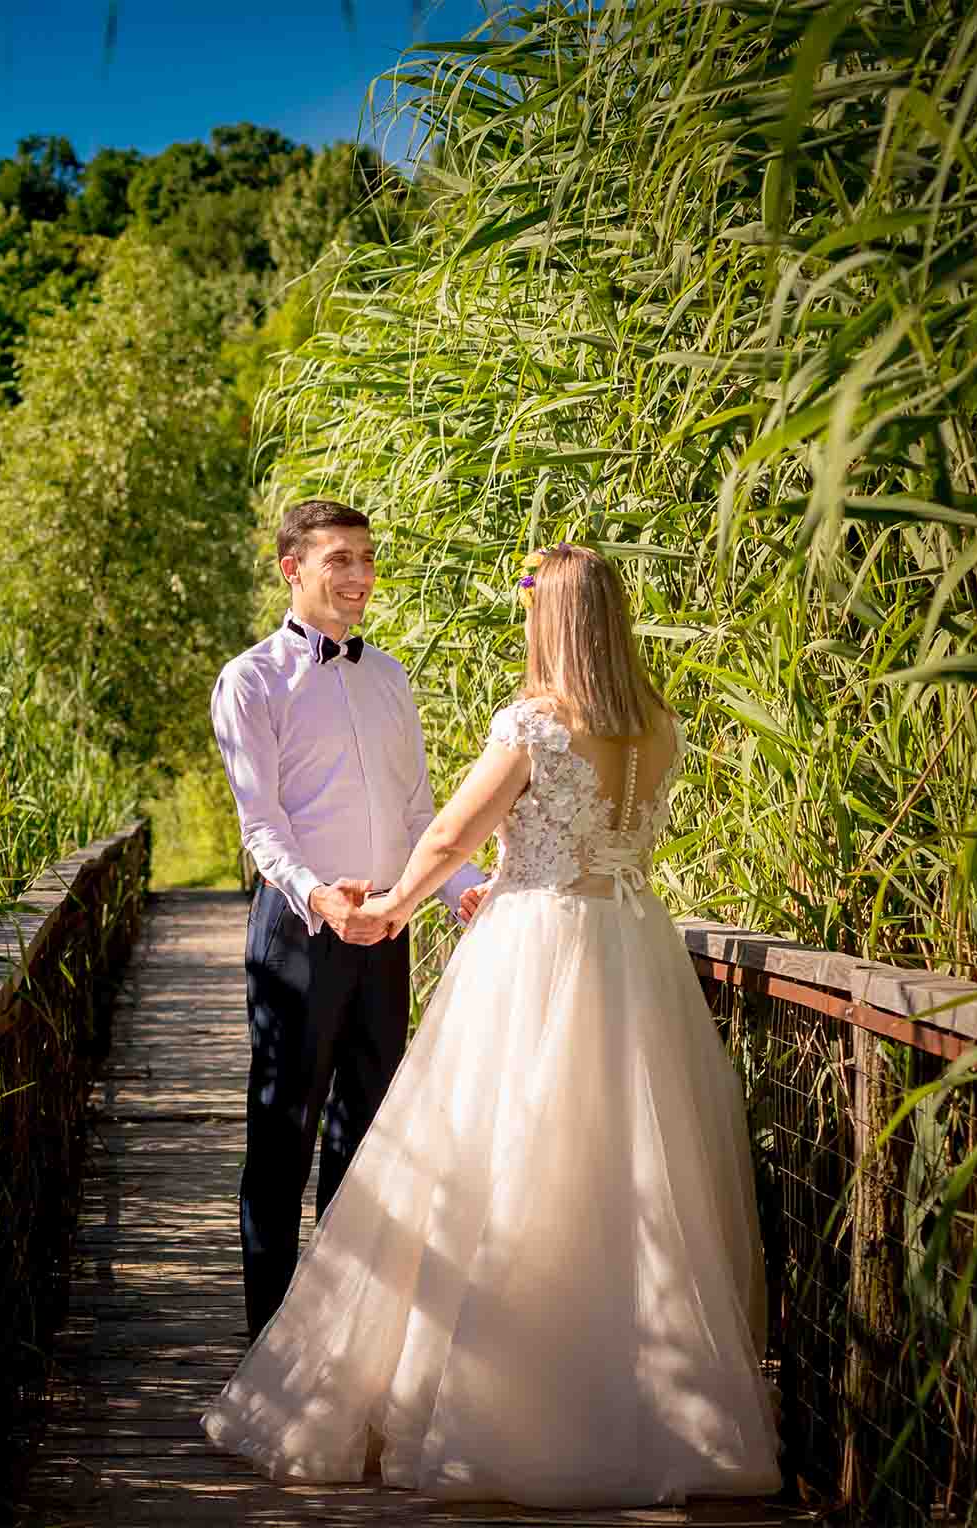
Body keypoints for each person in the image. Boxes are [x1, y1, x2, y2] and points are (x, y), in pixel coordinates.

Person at [201, 542, 782, 1507]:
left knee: (498, 1159)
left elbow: (447, 834)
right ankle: (656, 1409)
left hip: (539, 949)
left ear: (548, 618)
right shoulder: (658, 727)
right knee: (626, 1174)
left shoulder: (536, 726)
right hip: (632, 948)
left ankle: (497, 1409)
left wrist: (390, 905)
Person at [208, 499, 484, 1343]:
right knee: (282, 1142)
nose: (361, 576)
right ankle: (266, 1349)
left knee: (366, 1144)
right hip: (300, 936)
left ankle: (335, 1350)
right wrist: (319, 894)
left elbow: (415, 811)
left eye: (366, 558)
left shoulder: (389, 675)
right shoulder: (250, 680)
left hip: (387, 937)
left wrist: (458, 889)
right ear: (292, 568)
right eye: (340, 560)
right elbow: (260, 825)